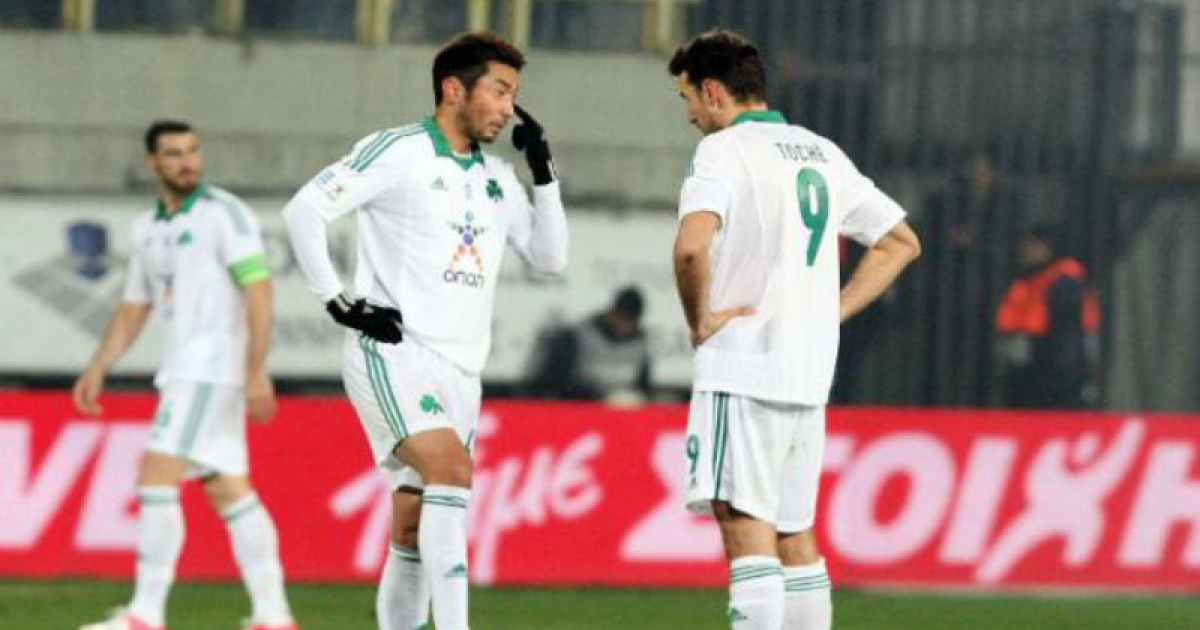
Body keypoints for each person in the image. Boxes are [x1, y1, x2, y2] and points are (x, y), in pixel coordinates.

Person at [280, 33, 567, 630]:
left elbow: (549, 257)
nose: (509, 108)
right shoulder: (399, 151)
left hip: (462, 369)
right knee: (452, 473)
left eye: (514, 95)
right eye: (500, 91)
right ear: (454, 89)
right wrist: (339, 302)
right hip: (394, 351)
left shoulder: (495, 175)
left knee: (412, 522)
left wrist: (543, 172)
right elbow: (304, 210)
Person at [668, 30, 920, 630]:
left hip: (744, 367)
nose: (690, 115)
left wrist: (700, 319)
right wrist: (831, 311)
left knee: (745, 529)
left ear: (713, 91)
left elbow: (690, 249)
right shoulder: (820, 151)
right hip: (807, 372)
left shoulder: (723, 151)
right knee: (795, 537)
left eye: (688, 99)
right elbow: (901, 242)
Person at [73, 121, 298, 630]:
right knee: (226, 487)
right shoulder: (147, 227)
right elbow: (135, 305)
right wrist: (99, 365)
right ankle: (274, 615)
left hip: (210, 368)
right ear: (153, 163)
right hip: (187, 370)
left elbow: (259, 290)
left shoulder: (224, 214)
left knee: (155, 479)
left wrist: (256, 370)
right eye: (174, 154)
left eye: (193, 151)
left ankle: (145, 614)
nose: (187, 161)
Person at [917, 151, 1025, 406]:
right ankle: (934, 405)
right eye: (973, 169)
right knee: (941, 355)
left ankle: (980, 406)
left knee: (983, 358)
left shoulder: (1007, 207)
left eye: (983, 170)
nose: (978, 176)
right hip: (949, 294)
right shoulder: (945, 204)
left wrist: (976, 243)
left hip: (989, 294)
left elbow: (1011, 247)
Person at [996, 224, 1100, 409]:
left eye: (1032, 246)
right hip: (1029, 367)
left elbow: (1068, 334)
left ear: (1046, 248)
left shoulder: (1063, 280)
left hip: (1051, 370)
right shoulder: (1031, 277)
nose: (1025, 252)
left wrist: (1063, 373)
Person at [523, 285, 652, 403]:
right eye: (621, 319)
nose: (624, 327)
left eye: (630, 322)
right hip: (581, 409)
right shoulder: (578, 338)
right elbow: (558, 383)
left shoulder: (639, 346)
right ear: (611, 312)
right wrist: (597, 396)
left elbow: (642, 387)